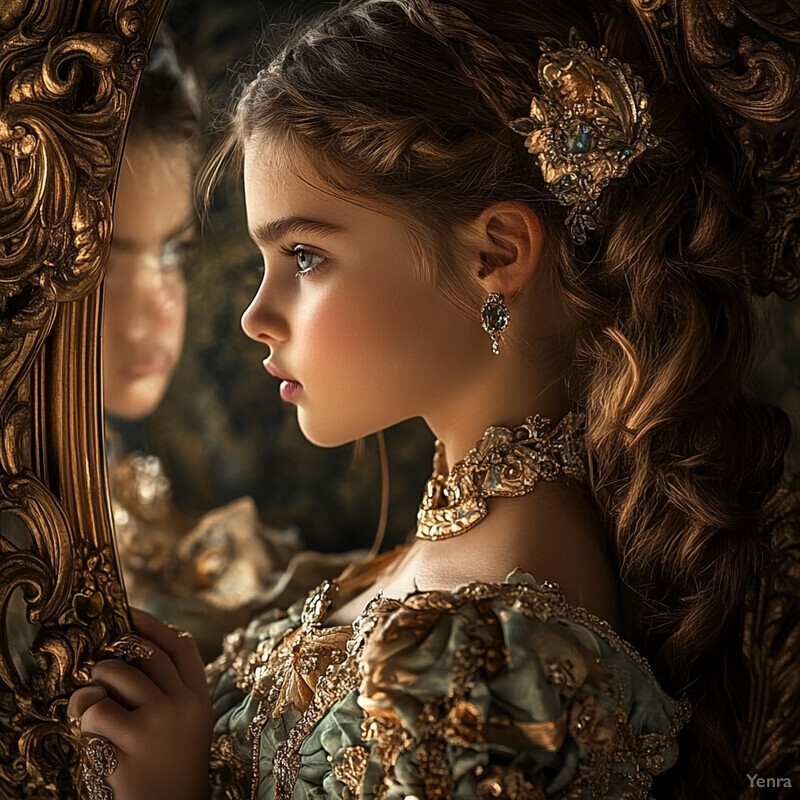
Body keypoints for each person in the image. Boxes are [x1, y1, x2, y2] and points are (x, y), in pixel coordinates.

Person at [68, 0, 800, 798]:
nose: (255, 316)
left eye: (305, 256)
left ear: (497, 253)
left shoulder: (493, 673)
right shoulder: (454, 572)